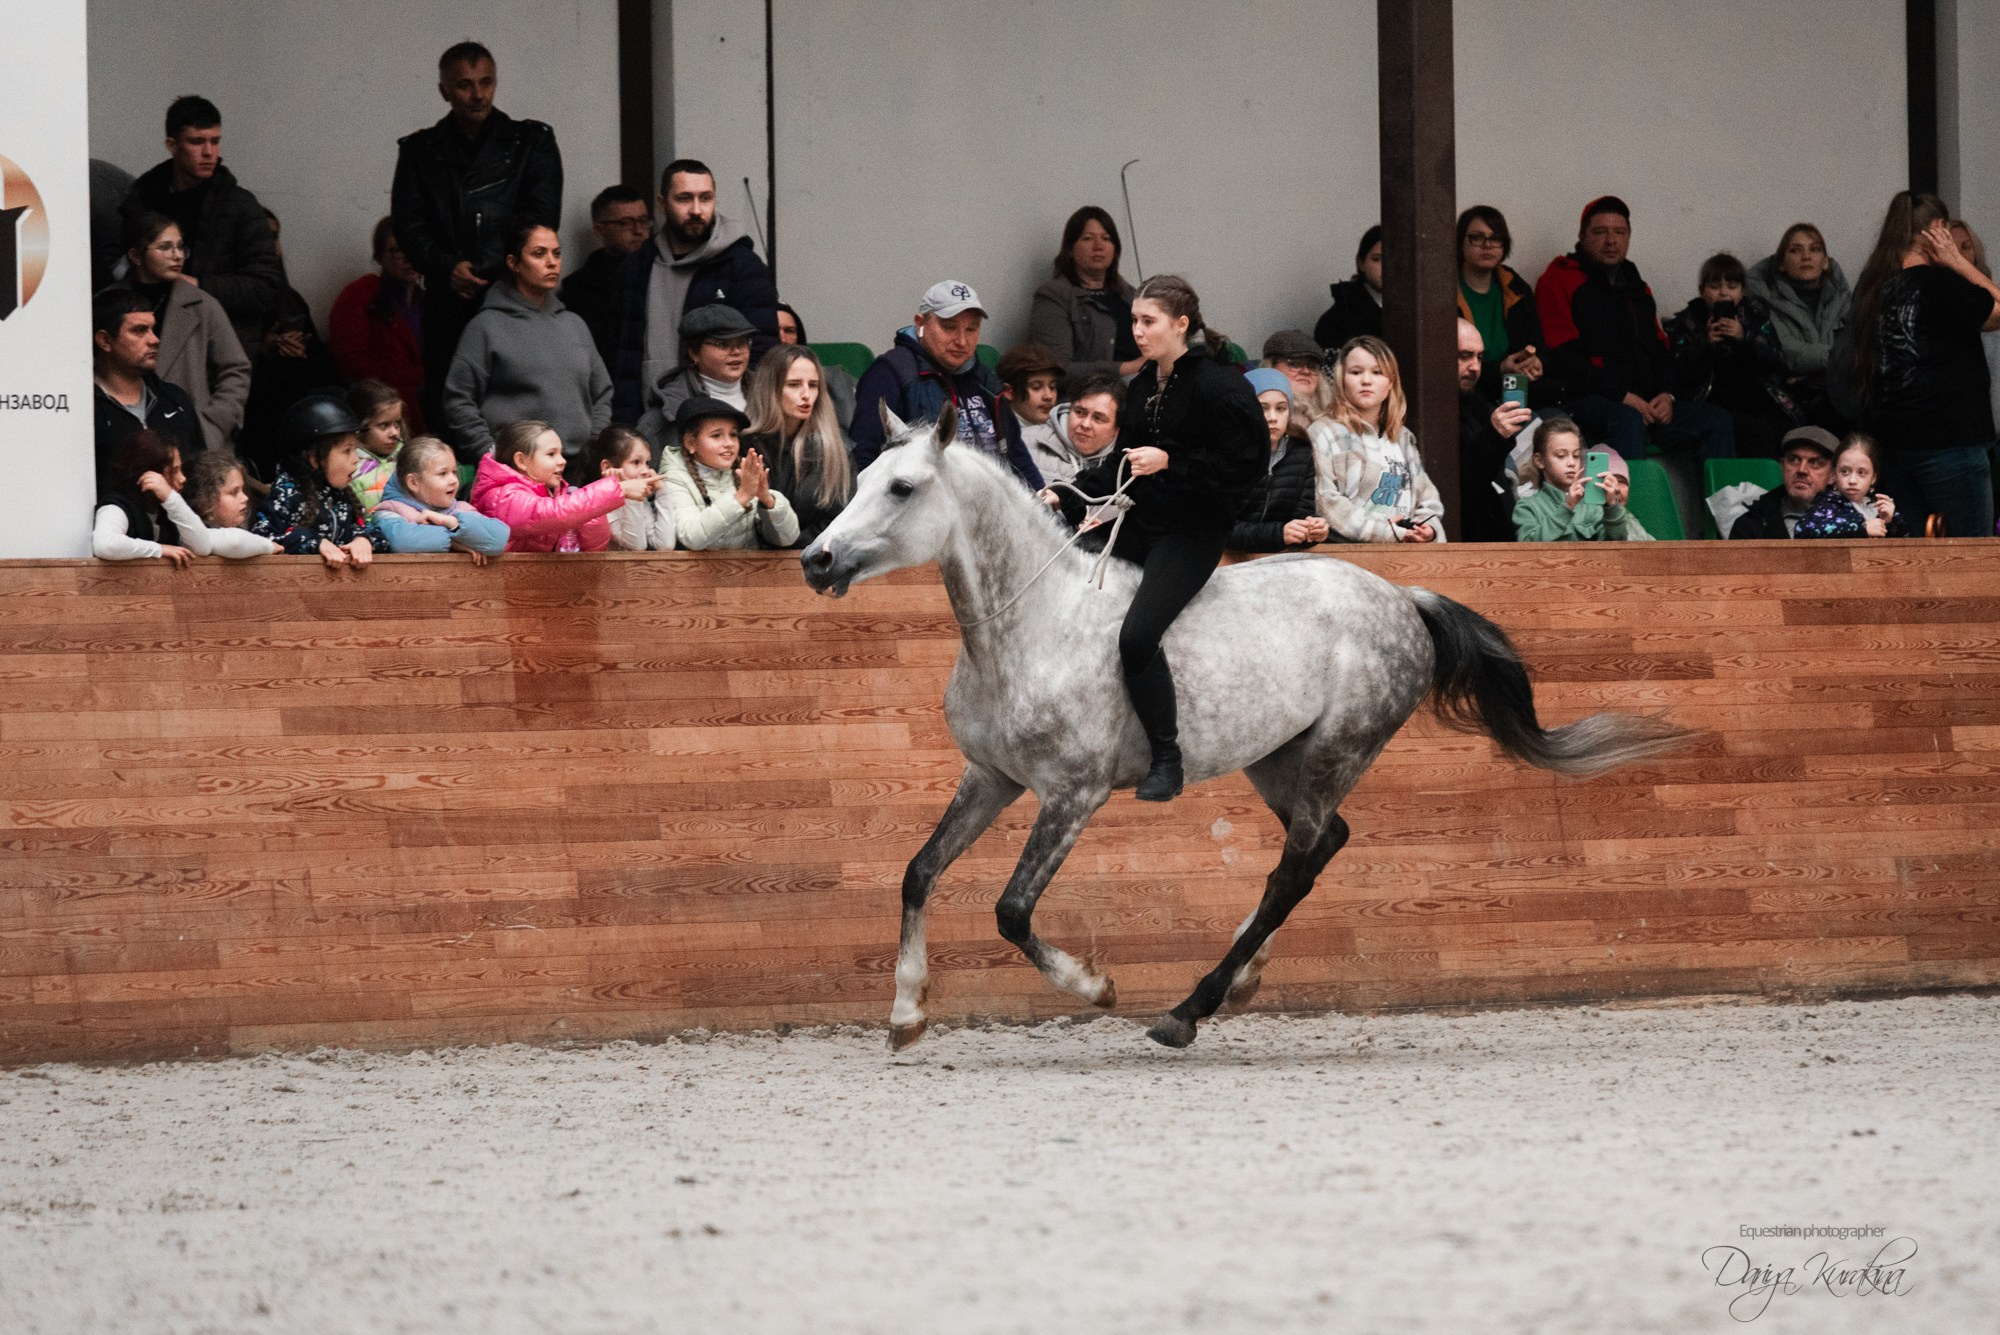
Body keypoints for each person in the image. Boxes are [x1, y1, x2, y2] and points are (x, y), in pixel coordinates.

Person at [1050, 274, 1264, 801]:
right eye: (1135, 322)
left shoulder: (1220, 384)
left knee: (1137, 637)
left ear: (1181, 325)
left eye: (1148, 322)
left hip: (1192, 533)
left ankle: (1168, 757)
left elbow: (1248, 466)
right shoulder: (1144, 384)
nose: (1138, 332)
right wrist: (1066, 492)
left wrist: (1173, 460)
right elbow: (1123, 467)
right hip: (1144, 522)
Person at [392, 41, 564, 443]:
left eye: (486, 82)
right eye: (465, 85)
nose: (478, 94)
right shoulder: (420, 151)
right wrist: (446, 266)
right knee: (452, 407)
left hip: (515, 290)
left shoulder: (530, 142)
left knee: (523, 402)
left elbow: (541, 217)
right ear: (444, 90)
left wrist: (491, 268)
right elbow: (408, 224)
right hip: (447, 297)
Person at [1535, 196, 1735, 464]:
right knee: (1627, 420)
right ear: (1582, 236)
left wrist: (1667, 394)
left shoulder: (1636, 285)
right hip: (1582, 399)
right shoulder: (1559, 278)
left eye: (1619, 232)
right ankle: (1624, 506)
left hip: (1644, 401)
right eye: (1600, 232)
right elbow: (1565, 358)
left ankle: (1722, 506)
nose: (1611, 240)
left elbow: (1658, 348)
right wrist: (1622, 395)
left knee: (1717, 420)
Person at [1849, 191, 2000, 538]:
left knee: (1912, 558)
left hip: (1894, 445)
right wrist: (1958, 262)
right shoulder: (1941, 283)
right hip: (1951, 441)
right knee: (1972, 558)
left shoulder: (1874, 289)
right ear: (1937, 230)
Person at [611, 159, 779, 424]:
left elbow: (764, 354)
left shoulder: (742, 266)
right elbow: (622, 359)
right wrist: (624, 425)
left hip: (720, 424)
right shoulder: (637, 267)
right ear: (662, 203)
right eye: (684, 199)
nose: (697, 209)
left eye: (706, 198)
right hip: (647, 421)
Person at [119, 95, 283, 355]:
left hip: (219, 349)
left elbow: (266, 288)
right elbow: (122, 270)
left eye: (215, 141)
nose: (209, 152)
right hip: (150, 344)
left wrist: (196, 285)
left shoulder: (241, 206)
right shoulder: (141, 201)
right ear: (172, 145)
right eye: (197, 142)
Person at [444, 221, 612, 467]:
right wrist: (490, 456)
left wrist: (594, 446)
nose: (552, 262)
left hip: (577, 467)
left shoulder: (574, 324)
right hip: (519, 470)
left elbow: (602, 393)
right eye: (538, 254)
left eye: (557, 253)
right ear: (514, 263)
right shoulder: (486, 326)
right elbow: (459, 399)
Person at [850, 280, 1042, 487]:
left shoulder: (986, 381)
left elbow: (1016, 456)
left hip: (994, 507)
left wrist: (1044, 499)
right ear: (920, 323)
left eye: (971, 329)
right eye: (949, 327)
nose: (961, 341)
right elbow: (864, 457)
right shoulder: (890, 373)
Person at [119, 211, 249, 453]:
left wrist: (211, 424)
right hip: (129, 439)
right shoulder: (108, 304)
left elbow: (236, 369)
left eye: (180, 247)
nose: (177, 255)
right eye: (165, 247)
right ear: (135, 255)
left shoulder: (202, 304)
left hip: (194, 444)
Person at [240, 209, 346, 481]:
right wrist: (264, 346)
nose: (271, 244)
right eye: (264, 236)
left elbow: (324, 367)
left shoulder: (291, 298)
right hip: (257, 406)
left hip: (299, 406)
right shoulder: (236, 296)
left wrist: (302, 348)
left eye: (275, 236)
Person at [1311, 336, 1446, 544]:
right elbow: (1326, 502)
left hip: (1405, 551)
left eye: (1377, 372)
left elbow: (1427, 499)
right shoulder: (1324, 432)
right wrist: (1385, 532)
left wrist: (1427, 528)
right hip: (1350, 555)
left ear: (1390, 382)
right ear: (1341, 379)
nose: (1366, 380)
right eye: (1356, 372)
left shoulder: (1401, 436)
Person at [1665, 253, 1796, 458]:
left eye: (1732, 287)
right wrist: (1705, 343)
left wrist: (1746, 338)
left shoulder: (1755, 316)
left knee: (1788, 431)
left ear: (1742, 291)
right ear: (1702, 290)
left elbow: (1778, 362)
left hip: (1758, 400)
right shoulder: (1687, 323)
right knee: (1754, 433)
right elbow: (1679, 373)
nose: (1723, 293)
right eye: (1715, 286)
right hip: (1711, 404)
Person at [252, 395, 389, 566]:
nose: (356, 459)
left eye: (356, 450)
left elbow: (371, 530)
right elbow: (262, 539)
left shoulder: (342, 493)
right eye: (347, 451)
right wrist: (315, 543)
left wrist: (364, 539)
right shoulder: (287, 494)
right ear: (314, 459)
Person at [741, 344, 853, 547]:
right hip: (750, 563)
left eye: (813, 385)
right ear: (770, 389)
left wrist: (792, 547)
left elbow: (842, 519)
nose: (806, 395)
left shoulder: (838, 449)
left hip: (815, 559)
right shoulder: (743, 446)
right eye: (793, 385)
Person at [471, 418, 639, 554]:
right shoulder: (502, 496)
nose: (562, 461)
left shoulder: (557, 496)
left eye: (561, 453)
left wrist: (588, 516)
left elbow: (594, 549)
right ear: (521, 461)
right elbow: (550, 513)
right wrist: (617, 490)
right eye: (551, 454)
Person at [328, 217, 428, 435]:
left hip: (426, 410)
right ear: (379, 256)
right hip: (380, 417)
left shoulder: (430, 301)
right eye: (397, 250)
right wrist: (414, 376)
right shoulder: (361, 295)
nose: (408, 258)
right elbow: (350, 362)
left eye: (414, 247)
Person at [1028, 205, 1142, 391]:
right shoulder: (1054, 296)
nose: (1099, 246)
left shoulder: (1128, 294)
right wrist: (1125, 368)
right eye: (1088, 238)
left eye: (1106, 239)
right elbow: (1055, 369)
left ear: (1115, 250)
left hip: (1140, 384)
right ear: (1070, 250)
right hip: (1091, 395)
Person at [1745, 222, 1852, 419]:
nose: (1806, 256)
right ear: (1781, 264)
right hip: (1790, 401)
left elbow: (1859, 347)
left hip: (1843, 394)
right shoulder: (1766, 304)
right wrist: (1839, 359)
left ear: (1826, 261)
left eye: (1815, 249)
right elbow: (1788, 352)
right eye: (1795, 250)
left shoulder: (1846, 301)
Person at [664, 397, 801, 550]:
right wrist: (741, 496)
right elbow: (691, 536)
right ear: (690, 443)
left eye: (733, 434)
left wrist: (767, 500)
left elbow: (788, 539)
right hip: (691, 573)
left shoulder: (742, 471)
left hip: (748, 572)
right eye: (716, 435)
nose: (729, 443)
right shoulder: (674, 477)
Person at [92, 288, 204, 472]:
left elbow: (198, 476)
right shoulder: (85, 409)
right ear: (104, 340)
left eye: (153, 329)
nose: (154, 339)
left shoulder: (175, 400)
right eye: (139, 331)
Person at [1454, 205, 1547, 402]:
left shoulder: (1515, 285)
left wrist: (1535, 362)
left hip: (1515, 392)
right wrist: (1500, 368)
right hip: (1465, 396)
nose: (1487, 245)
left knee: (1553, 424)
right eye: (1477, 237)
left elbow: (1539, 345)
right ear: (1460, 242)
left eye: (1495, 239)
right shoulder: (1443, 290)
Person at [1229, 368, 1326, 553]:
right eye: (1262, 408)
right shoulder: (1226, 453)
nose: (1273, 418)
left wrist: (1311, 531)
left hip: (1277, 563)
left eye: (1281, 408)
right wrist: (1279, 534)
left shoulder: (1301, 451)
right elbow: (1220, 529)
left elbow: (1300, 517)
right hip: (1223, 563)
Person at [373, 434, 512, 562]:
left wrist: (453, 523)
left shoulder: (460, 510)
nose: (453, 480)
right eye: (442, 473)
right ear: (413, 483)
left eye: (454, 472)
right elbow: (402, 541)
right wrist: (454, 542)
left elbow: (498, 540)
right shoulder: (391, 510)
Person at [636, 304, 758, 448]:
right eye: (723, 344)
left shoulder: (771, 394)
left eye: (742, 343)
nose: (736, 351)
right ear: (694, 353)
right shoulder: (668, 414)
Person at [1512, 419, 1651, 542]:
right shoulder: (1527, 506)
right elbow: (1528, 547)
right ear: (1539, 460)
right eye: (1561, 456)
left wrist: (1612, 507)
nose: (1571, 463)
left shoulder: (1593, 507)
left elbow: (1616, 547)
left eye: (1576, 455)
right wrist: (1566, 508)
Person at [1457, 318, 1533, 542]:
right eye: (1464, 356)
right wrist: (1493, 437)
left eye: (1479, 357)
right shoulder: (1427, 414)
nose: (1475, 367)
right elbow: (1461, 488)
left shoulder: (1477, 404)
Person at [562, 185, 652, 370]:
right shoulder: (579, 289)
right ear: (600, 230)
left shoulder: (663, 274)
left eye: (643, 221)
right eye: (626, 222)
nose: (638, 230)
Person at [92, 430, 199, 566]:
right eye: (173, 471)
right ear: (151, 474)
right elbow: (105, 544)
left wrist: (172, 499)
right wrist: (159, 549)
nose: (183, 478)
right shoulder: (117, 506)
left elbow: (201, 546)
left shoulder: (169, 506)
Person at [1729, 426, 1838, 539]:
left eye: (1815, 463)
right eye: (1794, 460)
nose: (1802, 470)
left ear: (1833, 475)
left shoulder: (1851, 522)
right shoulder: (1750, 524)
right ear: (1782, 466)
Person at [1947, 219, 2000, 448]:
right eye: (1952, 249)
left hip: (1991, 429)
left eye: (1966, 247)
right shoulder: (1932, 301)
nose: (1959, 255)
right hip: (1952, 434)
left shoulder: (1991, 303)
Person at [1795, 433, 1907, 538]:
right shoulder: (1826, 504)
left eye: (1861, 473)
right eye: (1845, 471)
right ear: (1834, 474)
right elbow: (1803, 530)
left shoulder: (1876, 507)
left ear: (1873, 478)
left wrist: (1888, 522)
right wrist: (1861, 528)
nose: (1852, 480)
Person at [181, 449, 283, 558]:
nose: (245, 498)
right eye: (234, 492)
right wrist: (269, 546)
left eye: (243, 490)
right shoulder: (188, 534)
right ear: (205, 500)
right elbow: (236, 543)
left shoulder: (245, 538)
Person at [590, 425, 674, 551]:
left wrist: (662, 492)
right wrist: (632, 498)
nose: (646, 471)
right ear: (607, 467)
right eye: (636, 462)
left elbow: (665, 545)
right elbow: (636, 547)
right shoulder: (599, 503)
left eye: (647, 462)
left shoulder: (640, 501)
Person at [998, 343, 1071, 483]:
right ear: (1009, 391)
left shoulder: (1066, 427)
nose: (1048, 396)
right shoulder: (1000, 435)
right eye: (1036, 387)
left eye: (1052, 387)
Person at [1314, 225, 1384, 352]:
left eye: (1395, 258)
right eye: (1377, 259)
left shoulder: (1419, 310)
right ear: (1361, 263)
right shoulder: (1337, 320)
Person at [344, 380, 407, 513]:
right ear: (359, 428)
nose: (394, 433)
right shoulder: (350, 468)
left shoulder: (406, 457)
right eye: (384, 425)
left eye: (397, 424)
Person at [1259, 330, 1335, 429]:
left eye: (1312, 366)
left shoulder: (1333, 419)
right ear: (1271, 367)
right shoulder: (1258, 414)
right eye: (1295, 364)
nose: (1306, 371)